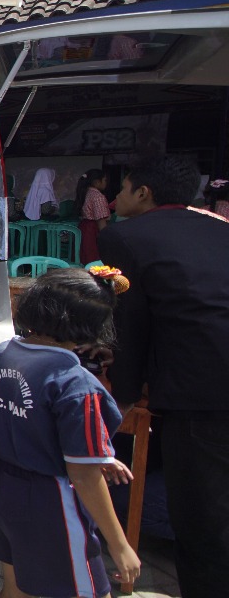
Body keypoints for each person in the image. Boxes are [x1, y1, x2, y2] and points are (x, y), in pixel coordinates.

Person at [98, 155, 229, 597]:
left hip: (201, 389)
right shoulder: (219, 227)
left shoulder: (126, 236)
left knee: (203, 522)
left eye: (123, 188)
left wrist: (127, 395)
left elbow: (129, 323)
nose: (115, 198)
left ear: (143, 193)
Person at [0, 268, 140, 598]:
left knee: (16, 586)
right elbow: (83, 474)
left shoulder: (1, 354)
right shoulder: (76, 384)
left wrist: (94, 454)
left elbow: (19, 420)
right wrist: (119, 544)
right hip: (49, 499)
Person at [75, 169, 110, 263]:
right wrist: (107, 238)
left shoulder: (85, 192)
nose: (106, 183)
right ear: (97, 182)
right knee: (93, 260)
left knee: (84, 257)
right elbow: (101, 222)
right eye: (105, 180)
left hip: (84, 228)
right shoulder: (98, 196)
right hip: (92, 231)